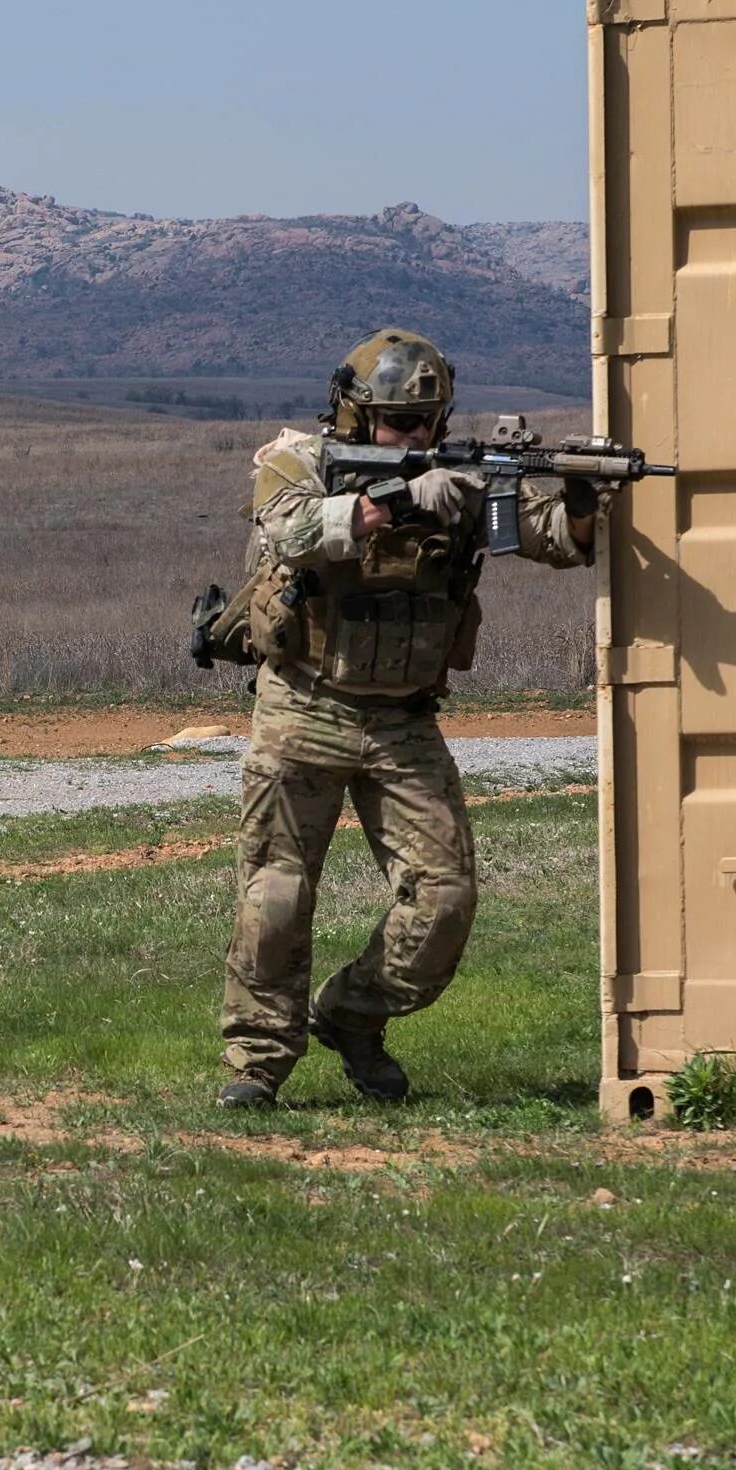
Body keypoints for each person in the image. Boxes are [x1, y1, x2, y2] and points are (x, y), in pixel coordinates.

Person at [214, 330, 596, 1109]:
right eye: (396, 423)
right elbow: (285, 529)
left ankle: (352, 1016)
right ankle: (257, 1062)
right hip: (303, 707)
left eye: (425, 424)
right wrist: (391, 500)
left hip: (405, 723)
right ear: (355, 416)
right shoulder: (299, 459)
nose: (415, 438)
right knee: (276, 898)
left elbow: (557, 538)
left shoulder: (462, 479)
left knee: (445, 899)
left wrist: (583, 495)